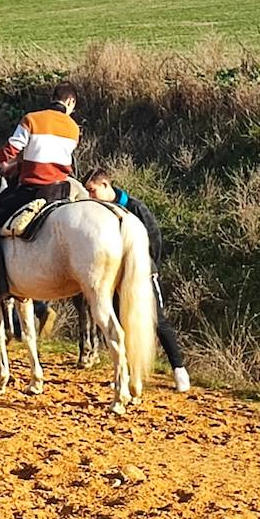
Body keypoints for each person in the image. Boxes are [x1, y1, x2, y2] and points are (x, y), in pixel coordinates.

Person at [0, 81, 80, 300]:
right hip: (61, 191)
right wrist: (21, 164)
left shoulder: (32, 119)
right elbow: (52, 159)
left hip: (33, 189)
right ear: (70, 102)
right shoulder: (73, 129)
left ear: (54, 98)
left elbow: (12, 149)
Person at [82, 167, 191, 393]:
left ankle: (179, 369)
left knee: (157, 319)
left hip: (141, 272)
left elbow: (155, 238)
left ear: (105, 185)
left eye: (92, 191)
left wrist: (151, 268)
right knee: (118, 322)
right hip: (112, 277)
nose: (90, 196)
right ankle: (125, 372)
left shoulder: (135, 207)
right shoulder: (98, 213)